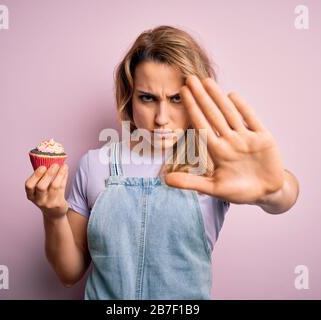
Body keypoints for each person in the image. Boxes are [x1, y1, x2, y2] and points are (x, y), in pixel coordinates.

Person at [24, 25, 300, 300]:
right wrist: (53, 215)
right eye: (148, 98)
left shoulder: (215, 165)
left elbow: (283, 197)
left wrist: (272, 189)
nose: (161, 118)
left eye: (176, 99)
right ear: (128, 97)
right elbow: (68, 274)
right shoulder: (95, 164)